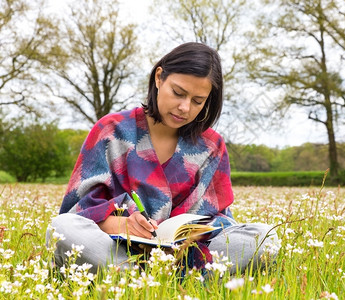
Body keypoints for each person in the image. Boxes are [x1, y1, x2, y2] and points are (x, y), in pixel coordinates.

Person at [46, 42, 278, 275]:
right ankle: (155, 278)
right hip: (117, 250)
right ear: (159, 78)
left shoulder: (211, 146)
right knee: (62, 228)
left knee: (264, 238)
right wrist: (120, 224)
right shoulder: (111, 130)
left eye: (198, 101)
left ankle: (135, 280)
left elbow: (221, 221)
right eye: (178, 93)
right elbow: (77, 211)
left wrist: (184, 238)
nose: (185, 108)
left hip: (187, 255)